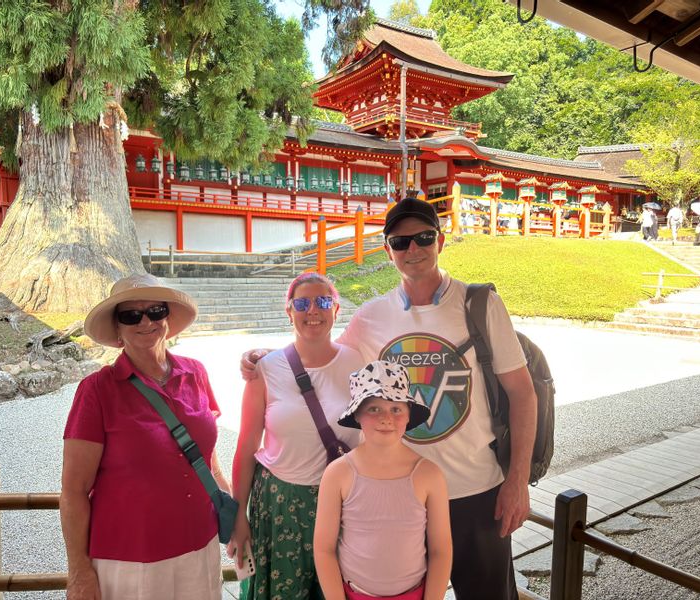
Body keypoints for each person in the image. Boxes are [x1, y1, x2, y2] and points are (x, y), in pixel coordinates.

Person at [243, 197, 537, 600]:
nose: (412, 249)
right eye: (400, 242)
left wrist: (518, 480)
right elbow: (321, 356)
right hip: (399, 492)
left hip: (475, 489)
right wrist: (264, 358)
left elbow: (522, 392)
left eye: (423, 237)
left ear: (441, 241)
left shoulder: (480, 305)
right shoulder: (372, 316)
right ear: (387, 250)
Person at [60, 273, 229, 600]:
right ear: (118, 329)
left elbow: (210, 462)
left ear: (167, 318)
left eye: (155, 311)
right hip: (131, 557)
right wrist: (79, 570)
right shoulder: (96, 391)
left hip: (200, 545)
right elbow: (73, 491)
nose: (145, 321)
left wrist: (233, 516)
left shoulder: (196, 372)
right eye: (131, 315)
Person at [229, 272, 364, 600]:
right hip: (281, 505)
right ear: (289, 312)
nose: (312, 310)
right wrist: (237, 517)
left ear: (337, 310)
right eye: (302, 303)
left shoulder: (358, 362)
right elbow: (247, 446)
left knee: (338, 591)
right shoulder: (266, 369)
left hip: (345, 503)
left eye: (323, 301)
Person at [313, 360, 452, 600]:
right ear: (357, 415)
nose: (386, 418)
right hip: (354, 594)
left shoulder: (430, 475)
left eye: (396, 409)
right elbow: (324, 549)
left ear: (409, 414)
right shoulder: (338, 474)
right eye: (374, 409)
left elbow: (441, 550)